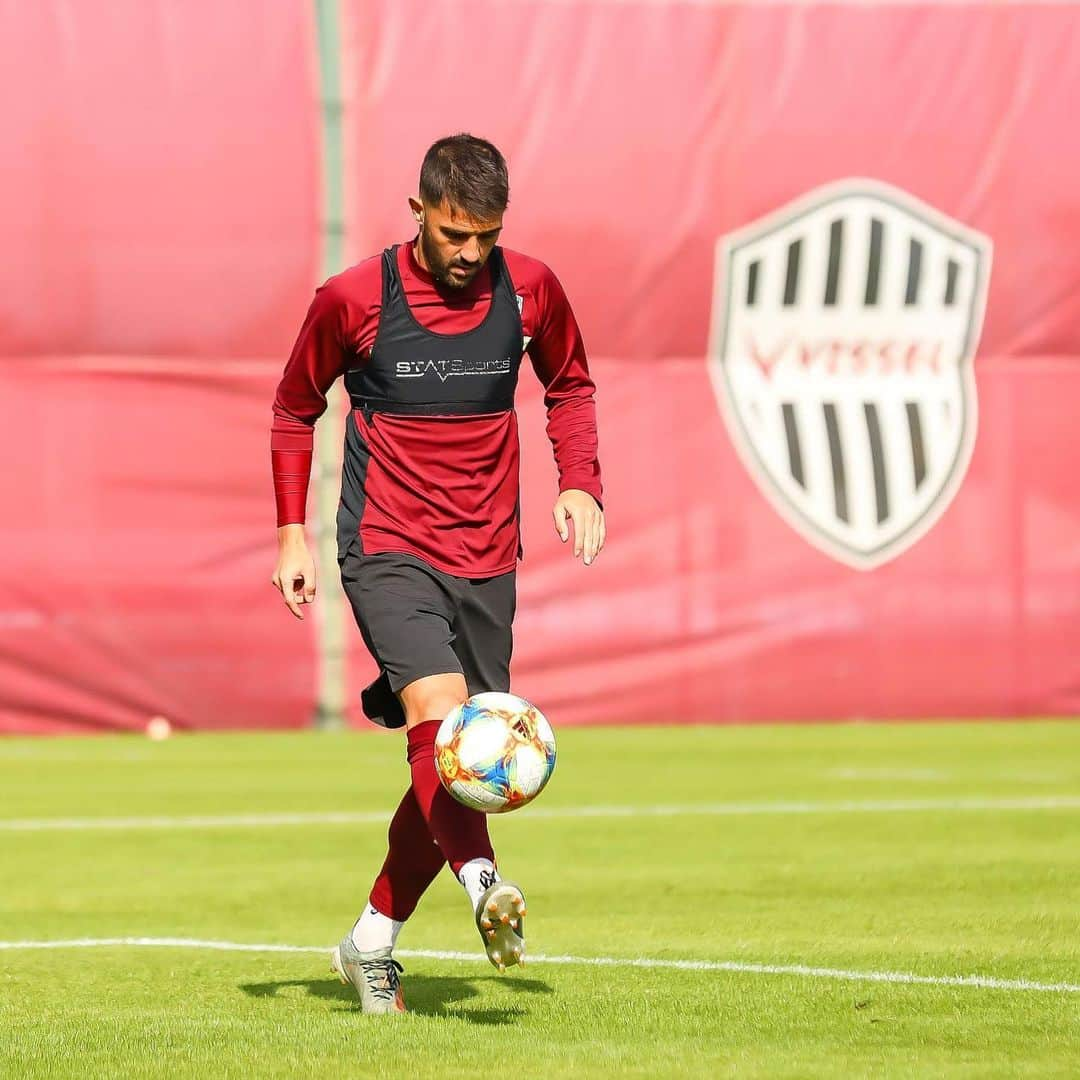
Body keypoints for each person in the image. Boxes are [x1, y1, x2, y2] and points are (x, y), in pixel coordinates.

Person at [269, 133, 605, 1015]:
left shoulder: (531, 289)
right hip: (386, 545)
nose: (470, 253)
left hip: (489, 552)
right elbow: (292, 410)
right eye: (455, 234)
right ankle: (485, 884)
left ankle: (370, 941)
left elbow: (570, 385)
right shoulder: (353, 299)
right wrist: (292, 536)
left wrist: (581, 484)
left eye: (485, 237)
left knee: (462, 765)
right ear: (417, 212)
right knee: (438, 716)